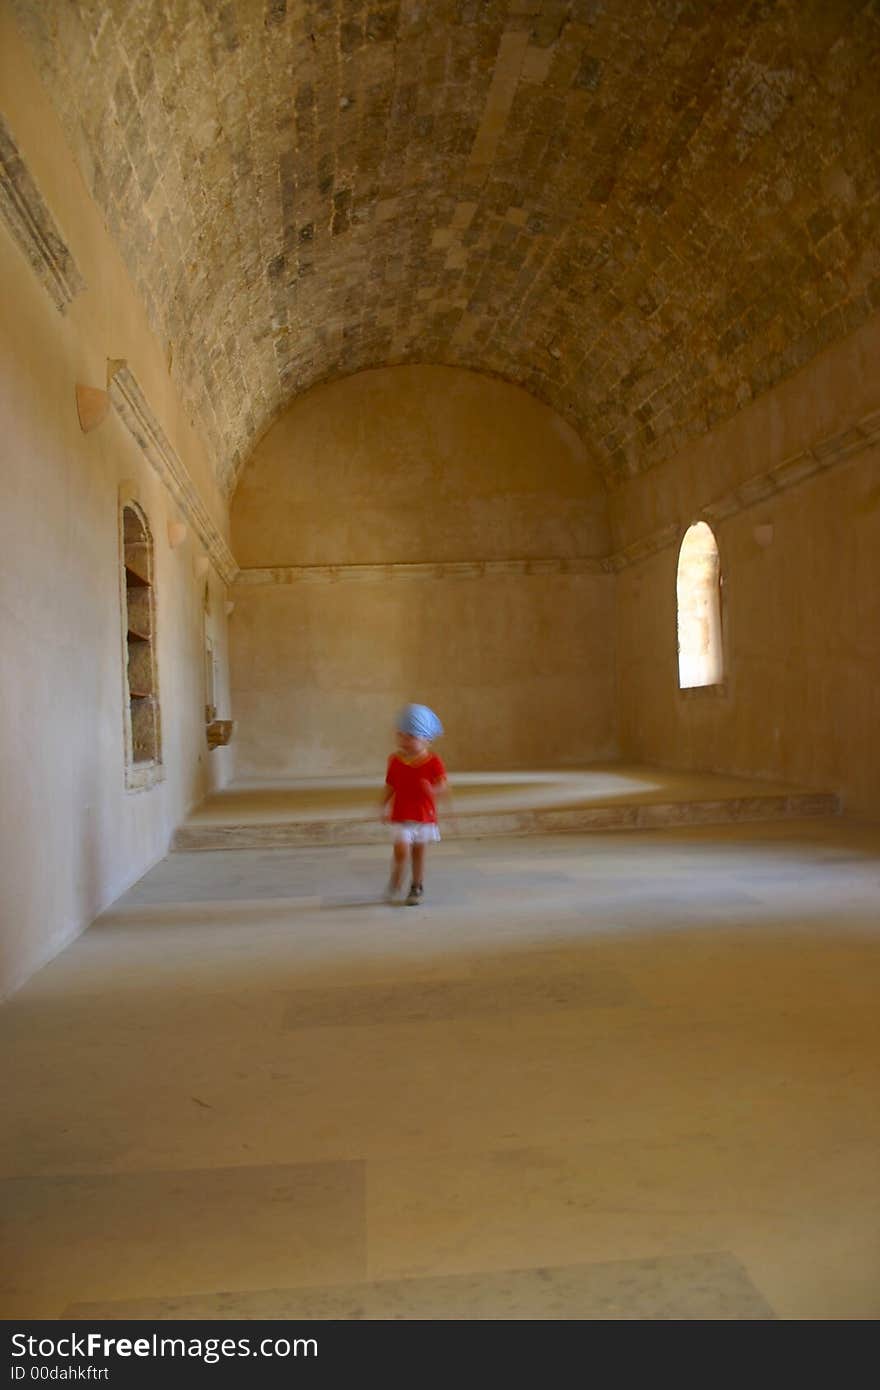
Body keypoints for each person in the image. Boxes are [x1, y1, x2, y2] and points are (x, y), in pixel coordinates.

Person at [382, 703, 449, 905]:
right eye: (401, 735)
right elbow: (390, 785)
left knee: (419, 853)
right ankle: (396, 877)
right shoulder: (395, 760)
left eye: (412, 736)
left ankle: (416, 885)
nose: (405, 740)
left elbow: (443, 786)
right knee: (401, 850)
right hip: (402, 815)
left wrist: (433, 790)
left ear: (426, 739)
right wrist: (383, 805)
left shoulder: (433, 762)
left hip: (424, 817)